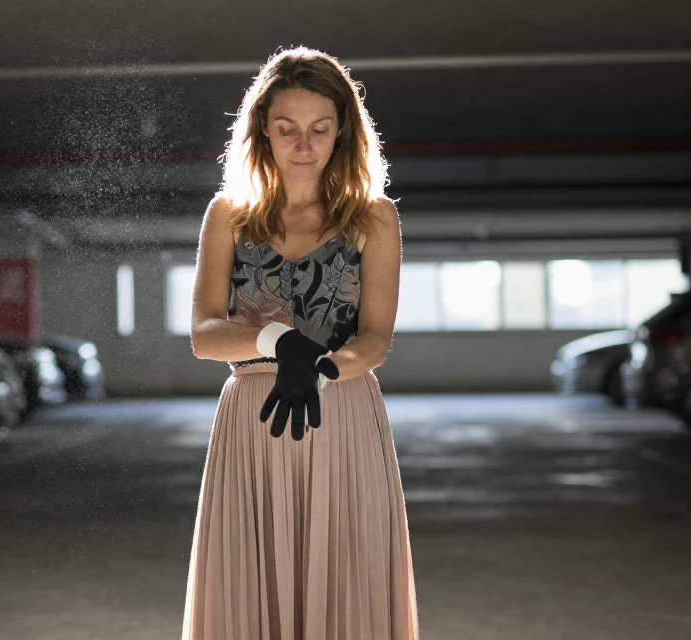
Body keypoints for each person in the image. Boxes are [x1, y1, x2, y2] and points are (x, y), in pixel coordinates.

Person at [181, 46, 419, 640]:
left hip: (339, 413)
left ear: (343, 132)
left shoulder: (373, 217)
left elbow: (375, 339)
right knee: (250, 589)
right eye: (287, 129)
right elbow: (205, 335)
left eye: (319, 129)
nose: (303, 146)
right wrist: (275, 340)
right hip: (252, 422)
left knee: (344, 584)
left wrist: (319, 372)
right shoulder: (229, 215)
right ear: (262, 130)